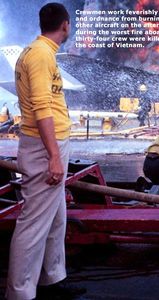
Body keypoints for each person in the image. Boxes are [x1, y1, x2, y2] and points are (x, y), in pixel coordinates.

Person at [6, 3, 85, 299]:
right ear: (65, 25)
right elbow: (42, 108)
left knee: (55, 217)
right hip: (44, 148)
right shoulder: (39, 55)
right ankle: (20, 293)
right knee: (34, 222)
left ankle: (53, 280)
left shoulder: (38, 52)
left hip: (49, 144)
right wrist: (53, 156)